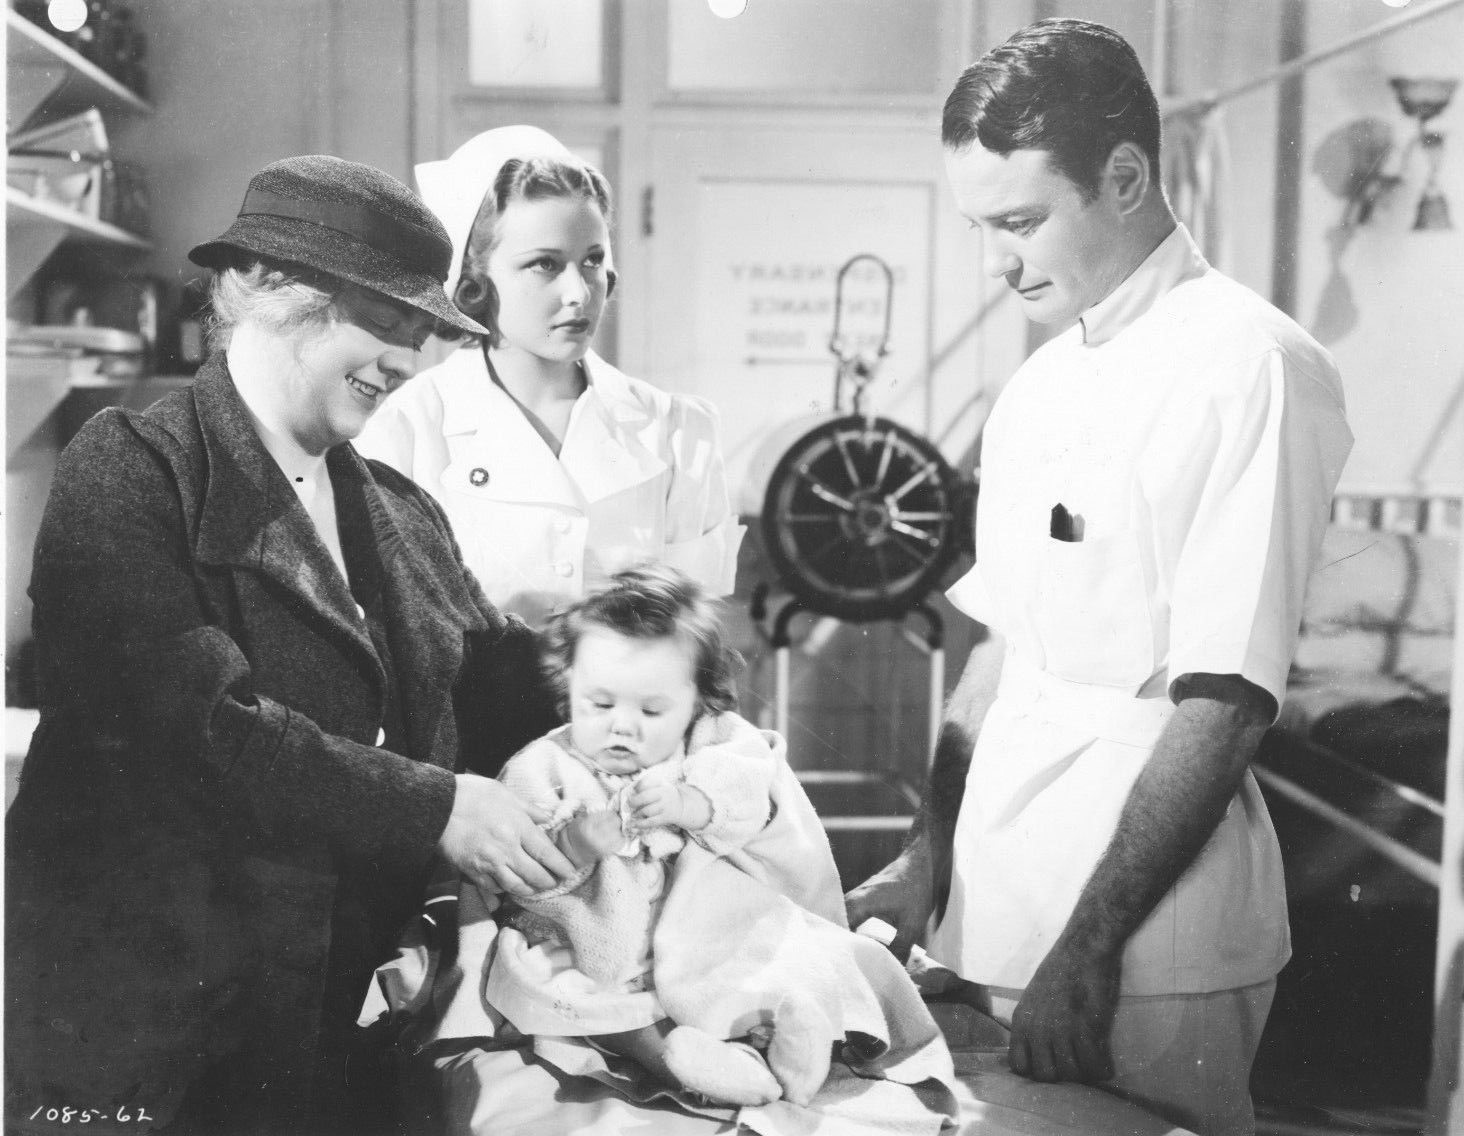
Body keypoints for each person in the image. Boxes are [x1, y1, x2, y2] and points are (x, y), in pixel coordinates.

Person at [845, 18, 1353, 1136]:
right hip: (1001, 899)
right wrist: (928, 862)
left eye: (1021, 221)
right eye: (983, 226)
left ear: (1124, 177)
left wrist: (1092, 939)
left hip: (1147, 939)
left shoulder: (1249, 366)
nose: (1000, 260)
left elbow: (1227, 699)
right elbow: (1000, 652)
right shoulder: (1043, 381)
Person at [4, 155, 582, 1136]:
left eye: (423, 333)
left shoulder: (398, 512)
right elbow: (194, 733)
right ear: (269, 290)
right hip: (145, 1048)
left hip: (320, 1041)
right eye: (386, 321)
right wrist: (437, 804)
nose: (409, 360)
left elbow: (501, 687)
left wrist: (641, 694)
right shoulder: (132, 469)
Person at [356, 126, 744, 627]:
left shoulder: (677, 433)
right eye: (544, 264)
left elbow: (696, 639)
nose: (579, 293)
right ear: (475, 282)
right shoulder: (405, 431)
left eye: (593, 262)